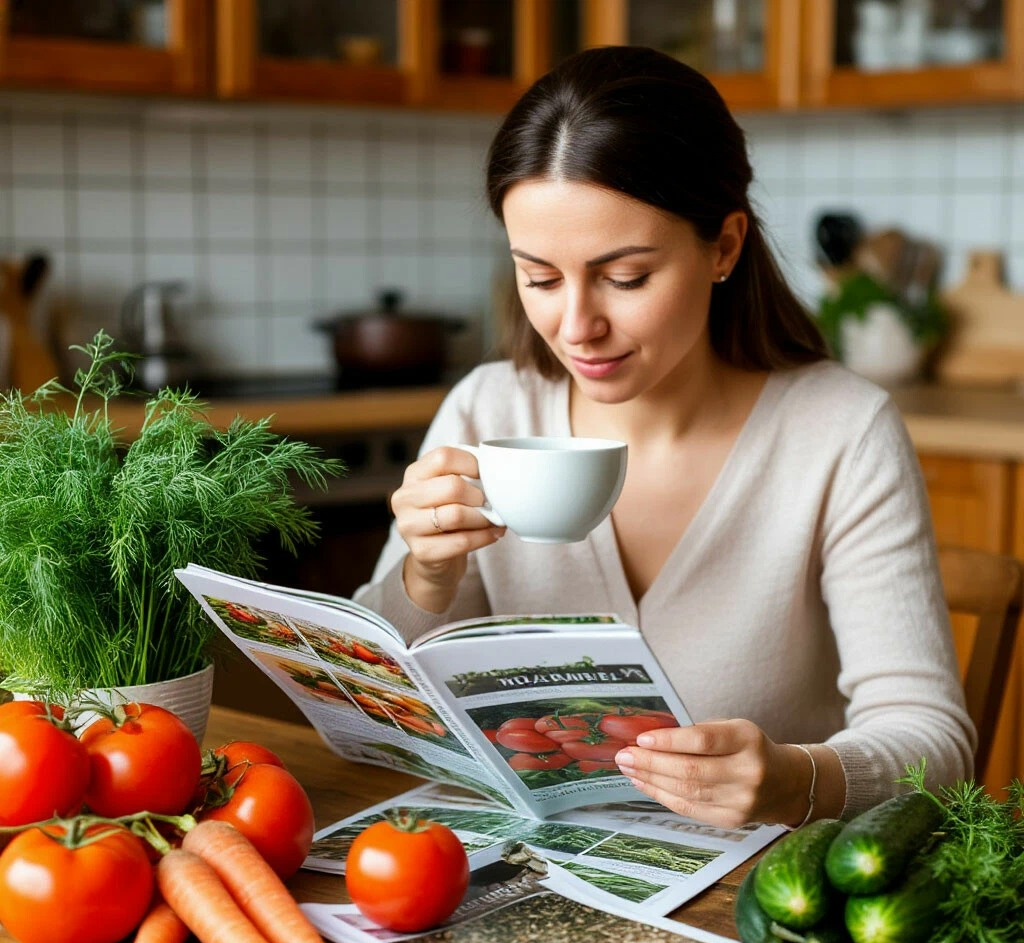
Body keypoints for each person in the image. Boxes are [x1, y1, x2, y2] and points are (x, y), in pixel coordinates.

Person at [355, 45, 974, 827]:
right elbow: (376, 697)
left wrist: (796, 779)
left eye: (626, 276)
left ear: (724, 246)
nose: (576, 326)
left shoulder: (840, 434)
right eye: (539, 277)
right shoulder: (488, 411)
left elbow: (936, 744)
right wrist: (425, 579)